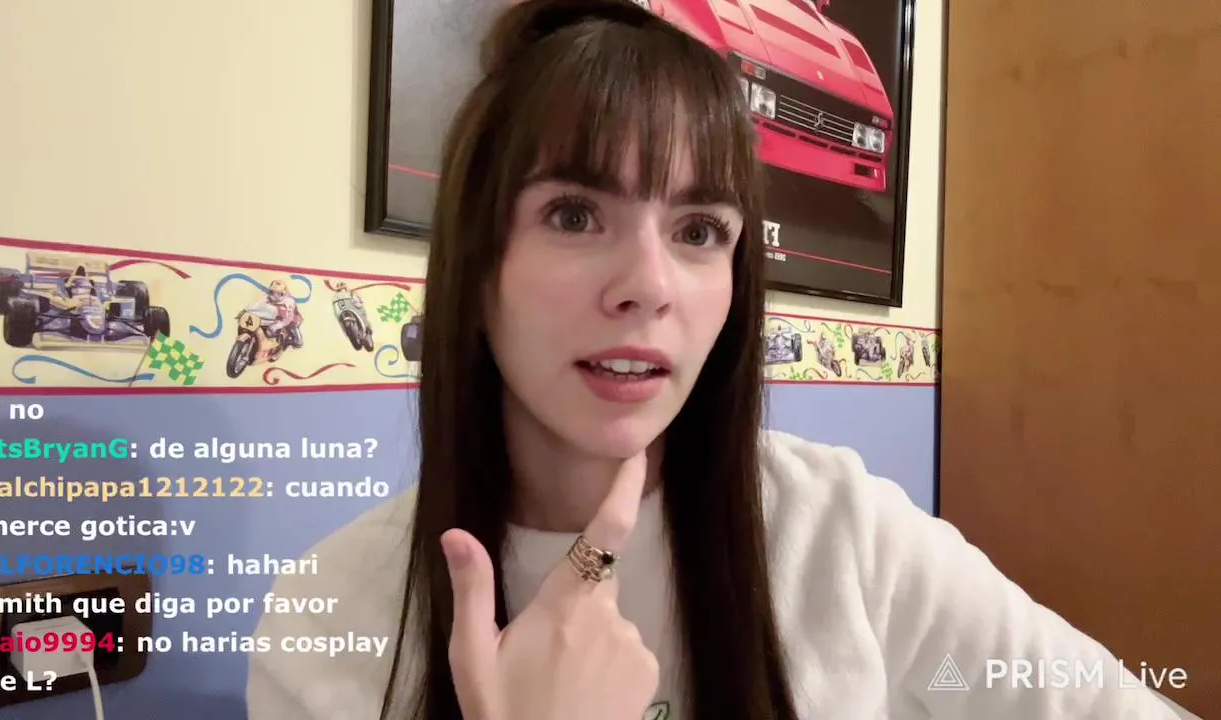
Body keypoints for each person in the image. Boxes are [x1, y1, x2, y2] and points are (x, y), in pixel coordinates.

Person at [246, 1, 1188, 717]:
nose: (648, 286)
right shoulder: (334, 615)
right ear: (476, 264)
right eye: (574, 215)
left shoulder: (841, 533)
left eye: (699, 230)